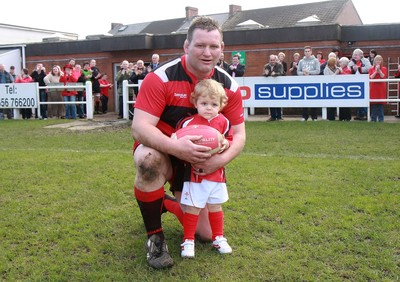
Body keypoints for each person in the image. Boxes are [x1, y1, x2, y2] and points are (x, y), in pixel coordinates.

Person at [131, 16, 245, 269]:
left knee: (205, 234)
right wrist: (176, 147)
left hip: (197, 162)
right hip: (163, 150)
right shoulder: (160, 78)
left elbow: (239, 135)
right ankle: (155, 239)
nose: (207, 52)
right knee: (147, 161)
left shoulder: (229, 86)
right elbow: (139, 128)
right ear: (186, 46)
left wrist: (220, 159)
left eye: (213, 46)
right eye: (200, 45)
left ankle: (162, 202)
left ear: (222, 48)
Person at [176, 79, 233, 258]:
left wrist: (225, 145)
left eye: (214, 104)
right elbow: (176, 141)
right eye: (204, 103)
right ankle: (188, 240)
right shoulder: (188, 123)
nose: (209, 108)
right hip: (195, 175)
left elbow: (230, 139)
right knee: (193, 208)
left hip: (217, 175)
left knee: (215, 206)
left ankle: (219, 238)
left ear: (222, 105)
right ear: (195, 102)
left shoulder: (224, 122)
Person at [297, 46, 321, 121]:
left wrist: (309, 72)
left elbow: (318, 71)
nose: (307, 53)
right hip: (304, 83)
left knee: (313, 99)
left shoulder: (316, 60)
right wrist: (303, 73)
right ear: (304, 52)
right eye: (305, 51)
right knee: (304, 100)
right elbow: (298, 72)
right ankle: (304, 116)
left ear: (311, 52)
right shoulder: (301, 61)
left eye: (308, 51)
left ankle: (314, 117)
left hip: (313, 82)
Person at [348, 48, 371, 120]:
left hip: (364, 82)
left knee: (364, 98)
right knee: (358, 98)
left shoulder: (366, 61)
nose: (354, 56)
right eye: (353, 55)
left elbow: (369, 68)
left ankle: (364, 114)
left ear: (361, 55)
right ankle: (359, 114)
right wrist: (352, 67)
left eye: (356, 55)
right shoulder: (352, 62)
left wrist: (359, 68)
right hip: (355, 83)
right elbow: (348, 68)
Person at [263, 54, 284, 121]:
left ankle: (279, 116)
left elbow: (281, 73)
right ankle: (272, 116)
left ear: (275, 60)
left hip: (278, 84)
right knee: (271, 101)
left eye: (273, 60)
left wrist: (275, 74)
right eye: (271, 60)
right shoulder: (266, 66)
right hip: (269, 86)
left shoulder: (279, 65)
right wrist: (266, 74)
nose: (272, 61)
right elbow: (263, 74)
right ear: (269, 60)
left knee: (278, 100)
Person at [368, 55, 387, 122]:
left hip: (381, 88)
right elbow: (371, 77)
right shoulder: (371, 69)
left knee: (380, 104)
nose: (378, 61)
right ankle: (373, 119)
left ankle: (381, 119)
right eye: (376, 60)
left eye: (379, 60)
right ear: (374, 61)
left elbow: (383, 76)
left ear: (381, 61)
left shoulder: (384, 68)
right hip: (373, 88)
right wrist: (376, 71)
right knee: (374, 104)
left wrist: (379, 71)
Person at [323, 55, 340, 121]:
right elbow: (329, 79)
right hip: (328, 88)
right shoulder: (326, 69)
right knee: (330, 103)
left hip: (335, 88)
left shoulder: (336, 68)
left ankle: (333, 116)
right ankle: (330, 117)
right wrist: (336, 73)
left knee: (334, 103)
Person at [337, 57, 352, 121]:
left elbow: (346, 77)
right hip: (341, 88)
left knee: (346, 104)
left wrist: (341, 71)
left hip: (346, 88)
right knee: (341, 103)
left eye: (340, 62)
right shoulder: (341, 69)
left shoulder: (348, 69)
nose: (339, 64)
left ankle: (347, 117)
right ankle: (342, 117)